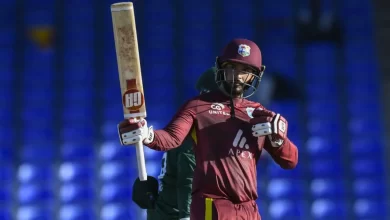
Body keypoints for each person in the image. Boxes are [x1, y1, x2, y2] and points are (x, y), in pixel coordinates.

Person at [119, 39, 299, 220]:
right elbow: (173, 144)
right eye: (232, 68)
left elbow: (290, 161)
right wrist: (147, 135)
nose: (237, 76)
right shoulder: (197, 111)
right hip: (203, 208)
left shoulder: (257, 113)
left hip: (246, 209)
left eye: (245, 71)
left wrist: (278, 140)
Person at [132, 68, 218, 220]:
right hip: (176, 213)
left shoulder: (193, 124)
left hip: (168, 210)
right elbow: (189, 180)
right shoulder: (198, 130)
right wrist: (187, 217)